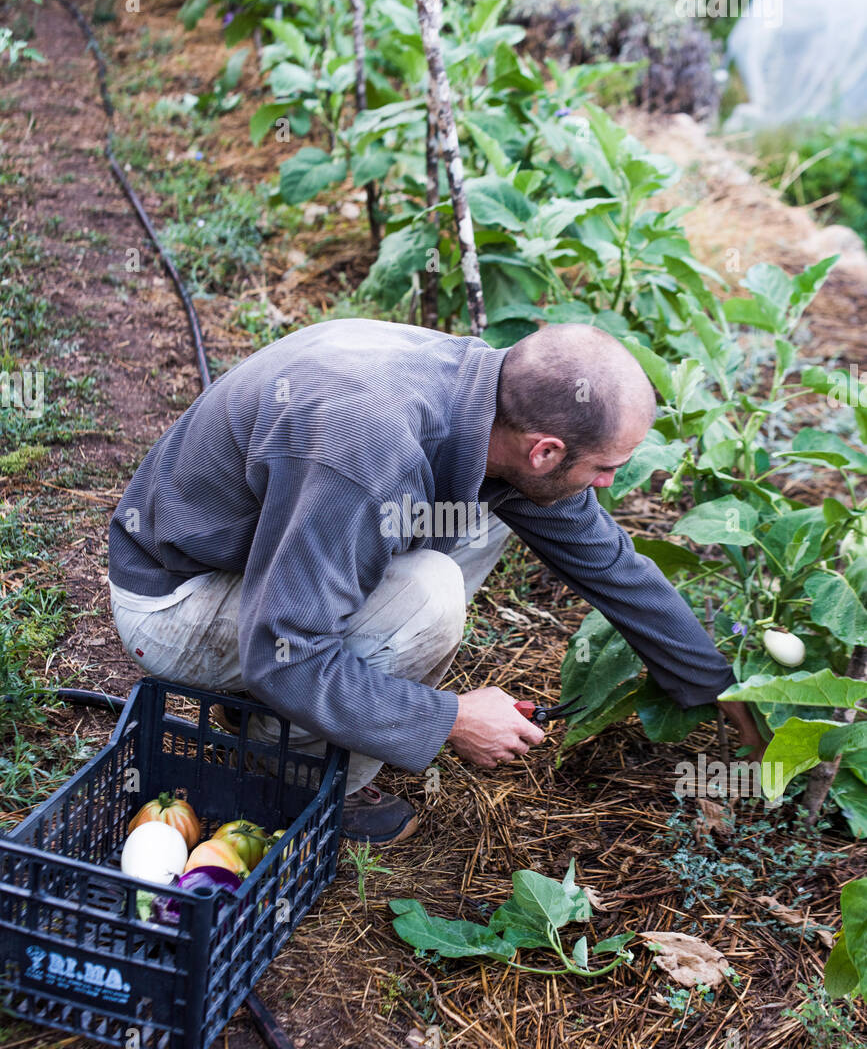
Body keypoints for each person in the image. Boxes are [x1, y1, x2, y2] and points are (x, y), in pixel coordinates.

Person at [107, 318, 763, 844]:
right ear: (546, 450)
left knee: (504, 513)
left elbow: (609, 564)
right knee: (429, 595)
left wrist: (720, 688)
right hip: (173, 601)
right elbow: (285, 654)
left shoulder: (484, 402)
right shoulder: (367, 450)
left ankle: (279, 718)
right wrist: (449, 718)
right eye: (605, 467)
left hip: (261, 569)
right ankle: (303, 780)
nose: (608, 484)